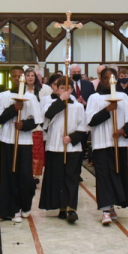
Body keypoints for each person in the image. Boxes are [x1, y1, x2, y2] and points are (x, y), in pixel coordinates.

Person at [86, 68, 128, 225]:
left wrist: (123, 130)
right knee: (104, 175)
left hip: (118, 143)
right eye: (106, 78)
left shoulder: (122, 97)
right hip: (102, 143)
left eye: (112, 78)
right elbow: (90, 121)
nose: (109, 81)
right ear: (101, 79)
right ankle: (105, 209)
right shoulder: (94, 98)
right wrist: (107, 110)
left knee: (118, 174)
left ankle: (113, 205)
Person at [0, 66, 44, 223]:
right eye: (14, 76)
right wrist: (14, 108)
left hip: (24, 141)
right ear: (10, 78)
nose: (17, 79)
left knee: (25, 177)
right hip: (7, 140)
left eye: (20, 76)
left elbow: (36, 120)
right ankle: (12, 209)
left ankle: (25, 205)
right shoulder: (3, 96)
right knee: (9, 176)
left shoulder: (31, 97)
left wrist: (23, 125)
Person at [38, 75, 89, 222]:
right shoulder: (49, 103)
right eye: (62, 88)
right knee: (57, 178)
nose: (65, 91)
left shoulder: (78, 106)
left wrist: (72, 137)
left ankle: (71, 208)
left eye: (68, 88)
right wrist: (61, 101)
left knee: (71, 177)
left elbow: (84, 126)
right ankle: (61, 206)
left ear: (72, 89)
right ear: (57, 89)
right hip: (55, 146)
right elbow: (46, 117)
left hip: (72, 148)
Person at [24, 68, 46, 179]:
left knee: (37, 152)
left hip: (38, 126)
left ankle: (35, 176)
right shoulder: (21, 91)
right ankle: (27, 174)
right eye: (28, 75)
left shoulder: (42, 90)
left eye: (32, 75)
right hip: (25, 125)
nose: (30, 77)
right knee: (27, 153)